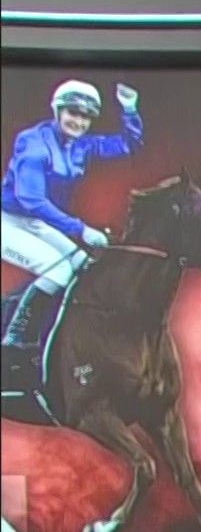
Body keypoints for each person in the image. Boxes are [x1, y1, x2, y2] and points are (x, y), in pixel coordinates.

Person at [1, 79, 144, 368]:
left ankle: (53, 329)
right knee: (59, 270)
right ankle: (15, 339)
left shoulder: (82, 144)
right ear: (57, 111)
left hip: (37, 222)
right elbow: (31, 200)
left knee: (82, 266)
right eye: (72, 113)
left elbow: (129, 144)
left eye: (86, 117)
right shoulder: (34, 144)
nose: (78, 122)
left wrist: (129, 109)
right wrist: (81, 230)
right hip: (10, 221)